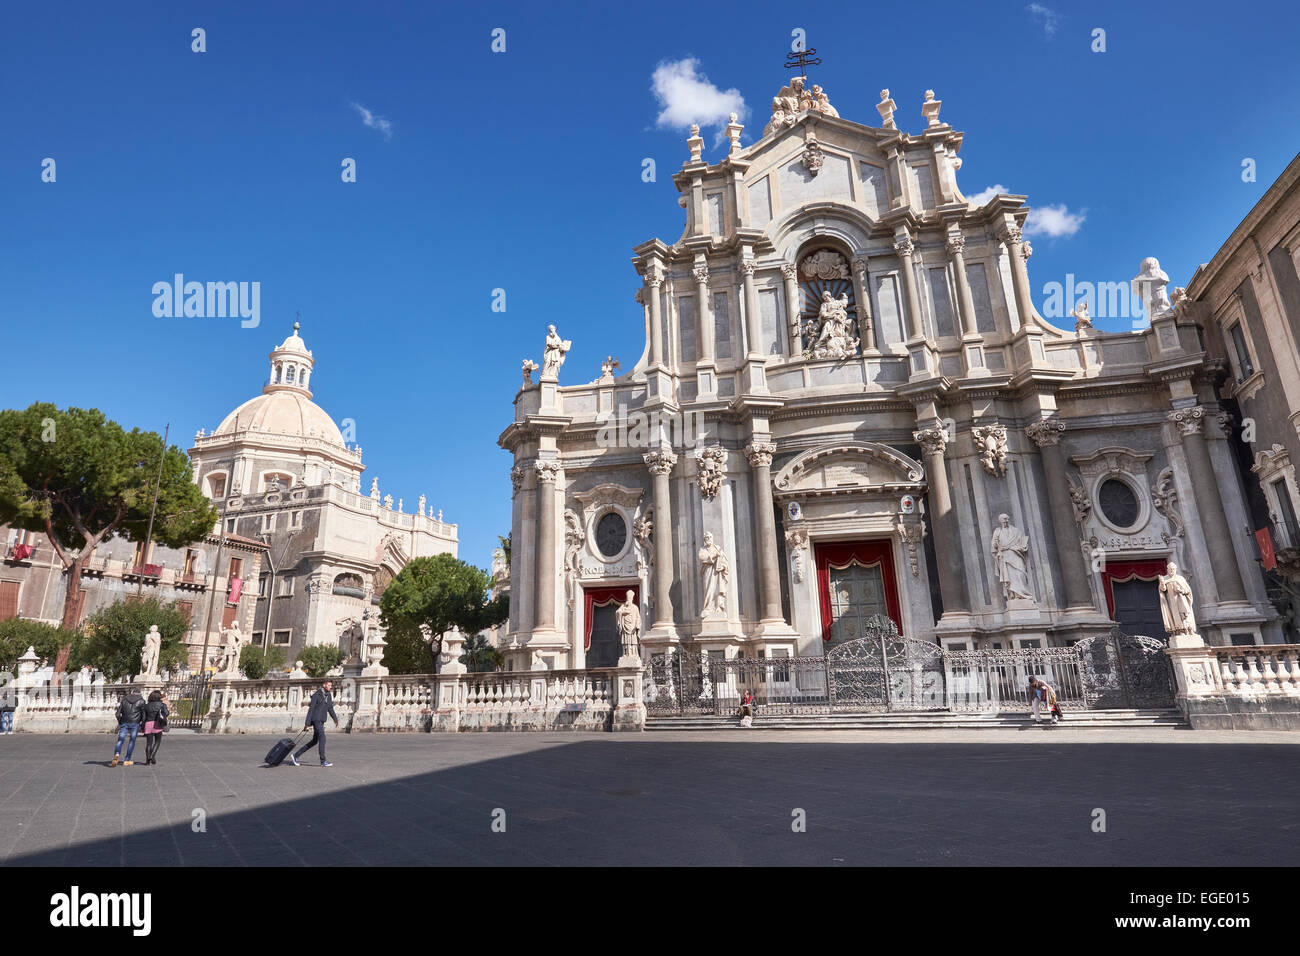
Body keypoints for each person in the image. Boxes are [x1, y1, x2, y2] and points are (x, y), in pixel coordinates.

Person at [289, 680, 339, 767]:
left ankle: (296, 755)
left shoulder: (328, 695)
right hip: (316, 720)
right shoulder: (316, 695)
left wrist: (335, 719)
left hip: (321, 720)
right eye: (329, 685)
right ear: (324, 685)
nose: (330, 687)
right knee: (322, 738)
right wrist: (307, 723)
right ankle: (323, 761)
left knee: (314, 741)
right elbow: (311, 709)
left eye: (331, 685)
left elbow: (330, 708)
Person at [112, 686, 147, 766]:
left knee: (120, 740)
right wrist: (142, 724)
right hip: (135, 723)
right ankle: (127, 759)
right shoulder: (141, 701)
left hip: (124, 722)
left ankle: (117, 754)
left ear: (132, 692)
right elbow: (143, 714)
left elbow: (117, 714)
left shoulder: (124, 700)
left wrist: (120, 722)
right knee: (132, 741)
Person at [142, 690, 170, 766]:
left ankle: (147, 761)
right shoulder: (161, 705)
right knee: (157, 741)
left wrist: (142, 727)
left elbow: (143, 717)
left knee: (149, 743)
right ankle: (152, 756)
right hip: (158, 723)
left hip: (148, 723)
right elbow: (167, 713)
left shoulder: (146, 706)